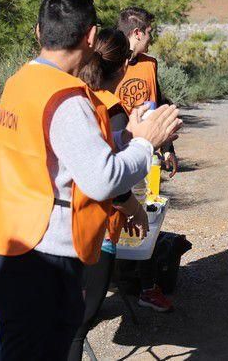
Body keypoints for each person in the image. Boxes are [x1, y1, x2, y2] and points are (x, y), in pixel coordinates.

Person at [0, 0, 182, 361]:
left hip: (1, 243)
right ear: (91, 36)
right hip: (41, 257)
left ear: (39, 32)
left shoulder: (20, 81)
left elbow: (59, 149)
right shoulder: (68, 98)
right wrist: (145, 144)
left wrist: (126, 136)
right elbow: (102, 178)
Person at [68, 27, 144, 361]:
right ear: (124, 67)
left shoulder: (72, 97)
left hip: (60, 225)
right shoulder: (111, 109)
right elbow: (108, 175)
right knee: (78, 324)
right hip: (97, 230)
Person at [114, 6, 177, 176]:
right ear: (137, 33)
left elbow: (158, 103)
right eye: (149, 32)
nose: (151, 38)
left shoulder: (150, 64)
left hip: (148, 150)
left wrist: (167, 148)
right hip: (118, 153)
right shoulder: (108, 65)